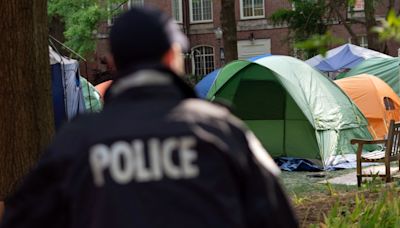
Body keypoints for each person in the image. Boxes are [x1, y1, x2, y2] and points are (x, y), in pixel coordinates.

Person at [0, 7, 298, 228]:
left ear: (114, 60)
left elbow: (21, 217)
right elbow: (278, 216)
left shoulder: (78, 142)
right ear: (171, 55)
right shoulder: (221, 131)